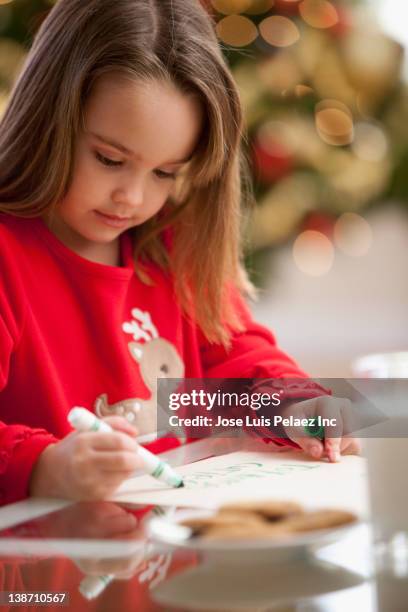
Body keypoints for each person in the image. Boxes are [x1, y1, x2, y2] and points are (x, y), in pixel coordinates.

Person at [0, 0, 360, 507]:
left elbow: (233, 357)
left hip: (168, 563)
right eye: (109, 159)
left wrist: (292, 403)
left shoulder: (170, 240)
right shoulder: (9, 254)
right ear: (47, 119)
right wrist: (41, 466)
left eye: (165, 173)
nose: (134, 197)